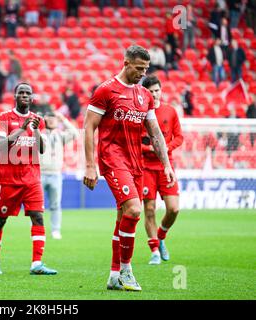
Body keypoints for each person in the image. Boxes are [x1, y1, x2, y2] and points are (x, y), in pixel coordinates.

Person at [83, 45, 176, 291]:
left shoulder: (144, 95)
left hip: (136, 163)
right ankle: (126, 271)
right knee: (134, 210)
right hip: (112, 158)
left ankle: (113, 276)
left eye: (145, 69)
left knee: (123, 216)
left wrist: (166, 164)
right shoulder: (106, 90)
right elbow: (89, 126)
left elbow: (155, 133)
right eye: (138, 68)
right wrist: (90, 165)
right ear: (125, 63)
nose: (142, 74)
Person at [0, 82, 57, 276]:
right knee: (0, 220)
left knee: (38, 216)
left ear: (32, 98)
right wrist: (21, 130)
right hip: (8, 179)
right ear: (15, 96)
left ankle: (37, 263)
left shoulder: (38, 120)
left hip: (31, 178)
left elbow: (41, 149)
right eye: (21, 92)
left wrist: (34, 130)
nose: (24, 95)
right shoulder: (3, 118)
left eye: (28, 93)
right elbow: (0, 146)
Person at [141, 75, 183, 265]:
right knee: (149, 209)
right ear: (145, 93)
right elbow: (134, 141)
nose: (155, 94)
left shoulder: (170, 111)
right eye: (151, 91)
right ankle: (155, 251)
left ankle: (161, 235)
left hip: (166, 166)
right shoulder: (140, 114)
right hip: (146, 167)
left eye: (157, 90)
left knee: (173, 209)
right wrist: (149, 149)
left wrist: (167, 148)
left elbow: (179, 137)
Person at [40, 110, 78, 239]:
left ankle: (55, 230)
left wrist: (63, 119)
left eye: (53, 118)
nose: (51, 120)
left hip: (55, 174)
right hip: (40, 174)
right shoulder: (39, 135)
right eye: (49, 118)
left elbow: (75, 133)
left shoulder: (60, 136)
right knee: (36, 205)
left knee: (55, 204)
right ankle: (37, 230)